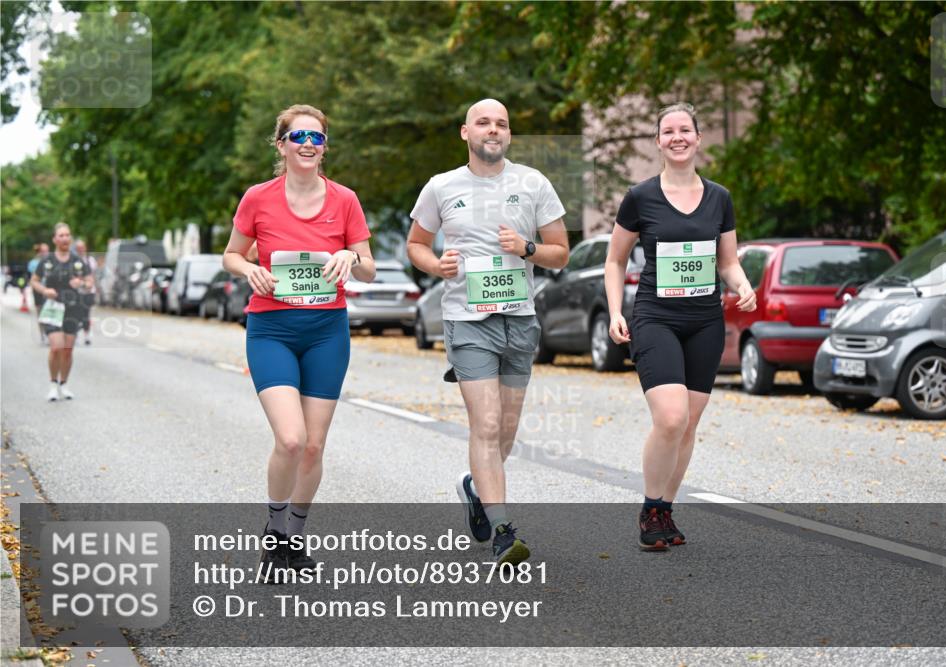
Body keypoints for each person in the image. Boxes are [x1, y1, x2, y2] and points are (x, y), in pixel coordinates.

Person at [407, 99, 569, 565]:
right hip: (467, 319)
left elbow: (561, 252)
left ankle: (475, 488)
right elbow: (417, 244)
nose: (492, 130)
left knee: (507, 434)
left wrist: (527, 247)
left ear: (509, 135)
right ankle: (503, 531)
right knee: (488, 423)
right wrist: (437, 264)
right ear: (466, 133)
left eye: (501, 124)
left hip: (520, 319)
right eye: (483, 123)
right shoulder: (441, 187)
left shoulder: (533, 183)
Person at [222, 104, 375, 580]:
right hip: (272, 330)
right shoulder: (258, 198)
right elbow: (231, 254)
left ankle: (295, 539)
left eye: (317, 138)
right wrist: (248, 268)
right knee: (291, 439)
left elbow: (369, 266)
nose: (308, 145)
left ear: (324, 146)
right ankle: (273, 532)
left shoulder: (345, 200)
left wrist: (350, 256)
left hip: (327, 331)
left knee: (314, 447)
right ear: (282, 144)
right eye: (299, 137)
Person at [604, 103, 756, 551]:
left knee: (688, 424)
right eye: (668, 131)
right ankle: (650, 508)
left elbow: (727, 262)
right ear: (658, 141)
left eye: (684, 130)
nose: (677, 137)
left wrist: (743, 286)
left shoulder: (719, 198)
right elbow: (614, 260)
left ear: (697, 137)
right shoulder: (640, 196)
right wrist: (615, 311)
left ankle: (665, 511)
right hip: (655, 317)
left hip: (706, 320)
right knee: (670, 418)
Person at [30, 224, 93, 401]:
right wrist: (44, 290)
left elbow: (90, 282)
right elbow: (34, 281)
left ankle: (64, 384)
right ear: (55, 239)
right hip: (52, 307)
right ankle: (52, 384)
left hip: (73, 308)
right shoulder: (47, 261)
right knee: (56, 347)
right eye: (61, 235)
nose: (65, 238)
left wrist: (80, 283)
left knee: (67, 350)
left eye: (67, 235)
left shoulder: (78, 261)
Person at [74, 240, 98, 345]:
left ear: (85, 248)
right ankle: (76, 334)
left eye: (82, 248)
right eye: (78, 248)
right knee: (76, 314)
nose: (80, 250)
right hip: (77, 291)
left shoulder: (90, 260)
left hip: (88, 291)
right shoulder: (73, 261)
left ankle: (87, 335)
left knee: (86, 314)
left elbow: (93, 275)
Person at [27, 243, 50, 344]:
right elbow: (35, 278)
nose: (46, 253)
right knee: (40, 312)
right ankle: (43, 335)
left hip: (50, 290)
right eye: (44, 251)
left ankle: (50, 333)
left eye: (47, 250)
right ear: (40, 252)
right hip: (38, 291)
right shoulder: (33, 263)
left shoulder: (51, 261)